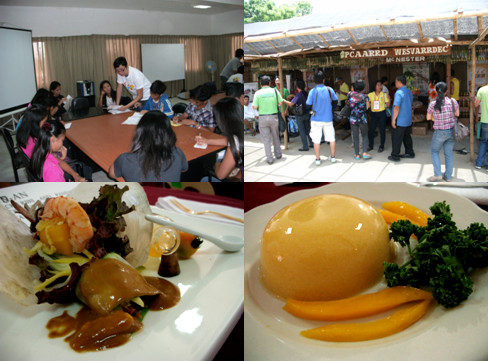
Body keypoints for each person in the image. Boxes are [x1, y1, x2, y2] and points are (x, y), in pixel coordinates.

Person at [109, 111, 188, 181]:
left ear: (140, 133)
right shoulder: (178, 152)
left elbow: (112, 174)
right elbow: (184, 169)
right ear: (169, 133)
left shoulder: (125, 159)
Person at [196, 97, 244, 181]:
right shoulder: (241, 131)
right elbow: (230, 140)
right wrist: (207, 141)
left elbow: (220, 175)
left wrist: (218, 161)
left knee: (204, 179)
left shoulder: (235, 142)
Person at [426, 82, 458, 181]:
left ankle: (438, 174)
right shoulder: (452, 101)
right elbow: (457, 114)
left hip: (439, 131)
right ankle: (448, 176)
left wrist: (436, 118)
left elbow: (428, 117)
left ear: (435, 90)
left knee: (434, 151)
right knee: (448, 153)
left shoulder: (433, 103)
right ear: (447, 91)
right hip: (451, 131)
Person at [306, 70, 338, 166]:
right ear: (324, 80)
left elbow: (308, 106)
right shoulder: (329, 90)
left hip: (316, 120)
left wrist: (312, 113)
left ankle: (318, 159)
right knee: (331, 138)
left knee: (316, 140)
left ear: (314, 80)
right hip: (328, 119)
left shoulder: (312, 91)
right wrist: (329, 108)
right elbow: (335, 102)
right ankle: (332, 157)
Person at [253, 75, 283, 165]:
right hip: (274, 117)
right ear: (270, 83)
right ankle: (278, 154)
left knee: (266, 139)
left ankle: (269, 159)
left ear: (260, 83)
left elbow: (255, 107)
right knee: (275, 136)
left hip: (262, 117)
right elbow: (280, 103)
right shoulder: (274, 91)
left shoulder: (257, 93)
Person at [388, 75, 414, 162]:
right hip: (407, 118)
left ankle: (395, 155)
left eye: (395, 81)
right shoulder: (408, 91)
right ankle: (410, 152)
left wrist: (393, 120)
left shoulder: (398, 93)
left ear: (399, 82)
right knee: (407, 137)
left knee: (396, 138)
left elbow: (396, 107)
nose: (395, 83)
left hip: (400, 120)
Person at [283, 79, 312, 151]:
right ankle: (311, 143)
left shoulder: (298, 95)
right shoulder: (306, 93)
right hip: (307, 113)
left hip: (300, 115)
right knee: (308, 129)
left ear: (297, 87)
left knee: (302, 131)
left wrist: (283, 100)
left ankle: (305, 146)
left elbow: (291, 104)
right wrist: (293, 95)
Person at [348, 80, 371, 160]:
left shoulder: (350, 94)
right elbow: (368, 107)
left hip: (353, 119)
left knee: (355, 136)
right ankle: (364, 153)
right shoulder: (365, 96)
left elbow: (348, 102)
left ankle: (357, 155)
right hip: (362, 119)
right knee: (364, 135)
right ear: (363, 88)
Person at [368, 80, 390, 153]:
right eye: (378, 85)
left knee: (382, 130)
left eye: (381, 85)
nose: (380, 87)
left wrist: (388, 98)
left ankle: (382, 146)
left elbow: (388, 105)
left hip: (382, 114)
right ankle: (370, 145)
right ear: (374, 86)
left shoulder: (384, 95)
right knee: (371, 130)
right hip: (374, 114)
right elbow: (367, 105)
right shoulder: (370, 95)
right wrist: (367, 102)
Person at [474, 84, 488, 170]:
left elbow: (476, 105)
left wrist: (472, 98)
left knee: (483, 142)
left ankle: (479, 163)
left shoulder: (482, 90)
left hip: (485, 121)